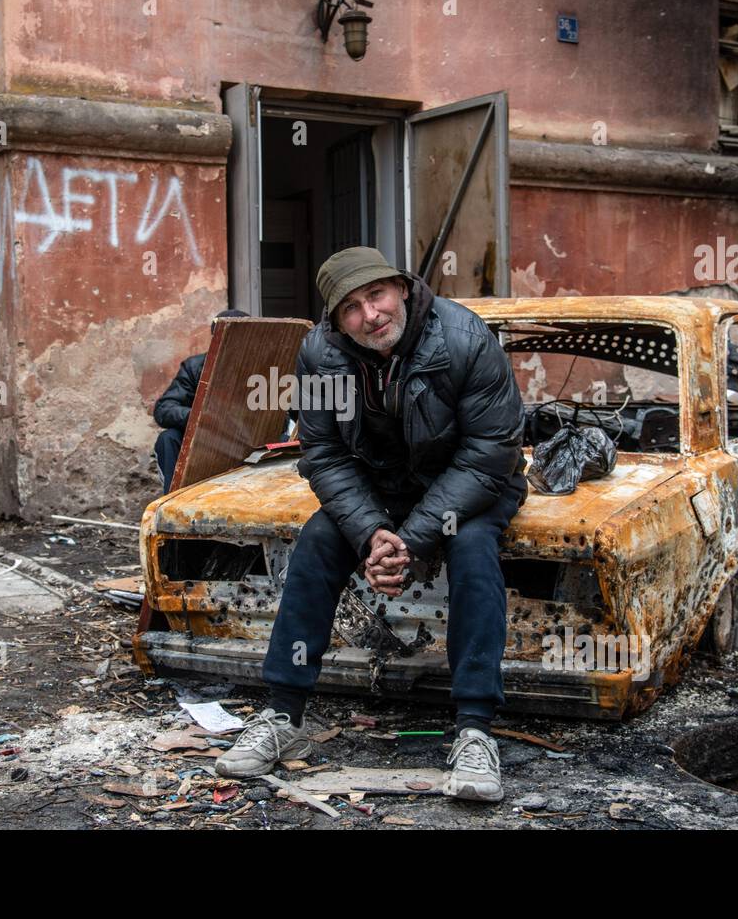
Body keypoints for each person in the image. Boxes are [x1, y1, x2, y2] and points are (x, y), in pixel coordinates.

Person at [214, 247, 527, 802]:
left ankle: (475, 728)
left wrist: (410, 539)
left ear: (402, 288)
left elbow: (489, 452)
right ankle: (282, 715)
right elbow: (323, 454)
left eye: (376, 295)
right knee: (316, 542)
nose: (371, 315)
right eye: (352, 308)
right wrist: (370, 531)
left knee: (473, 546)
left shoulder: (464, 338)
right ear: (336, 322)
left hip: (470, 486)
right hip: (379, 491)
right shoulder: (318, 354)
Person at [152, 308, 249, 493]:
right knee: (168, 438)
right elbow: (164, 409)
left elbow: (287, 413)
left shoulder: (264, 364)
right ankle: (173, 503)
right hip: (205, 440)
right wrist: (201, 416)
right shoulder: (195, 367)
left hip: (247, 440)